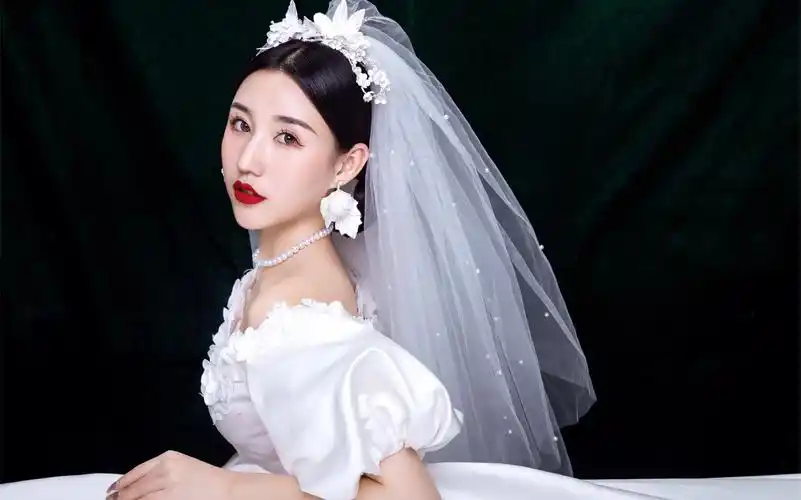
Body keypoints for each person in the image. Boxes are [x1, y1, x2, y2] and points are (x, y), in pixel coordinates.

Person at [14, 1, 799, 499]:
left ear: (347, 164)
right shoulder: (287, 269)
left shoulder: (303, 318)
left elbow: (404, 497)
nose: (247, 159)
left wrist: (222, 492)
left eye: (289, 137)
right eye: (240, 123)